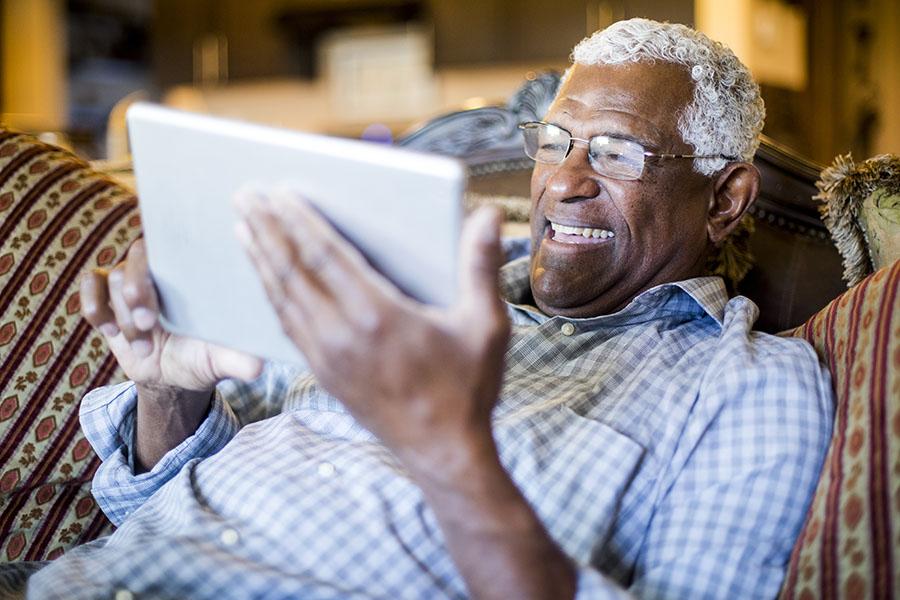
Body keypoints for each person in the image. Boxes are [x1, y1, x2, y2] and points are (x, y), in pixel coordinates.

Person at [23, 18, 832, 599]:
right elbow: (143, 504)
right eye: (554, 143)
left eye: (617, 152)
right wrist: (171, 388)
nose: (564, 183)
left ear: (725, 198)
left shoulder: (751, 387)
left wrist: (449, 449)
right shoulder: (401, 285)